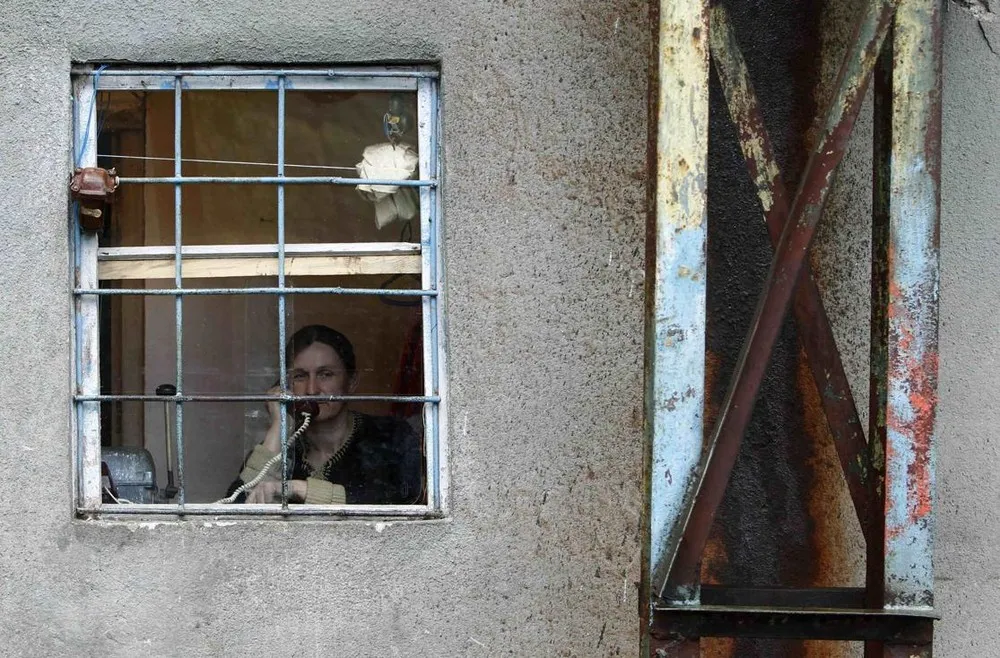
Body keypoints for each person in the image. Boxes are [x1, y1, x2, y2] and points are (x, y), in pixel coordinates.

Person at [226, 325, 424, 505]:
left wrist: (299, 489)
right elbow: (239, 507)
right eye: (300, 376)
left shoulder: (390, 436)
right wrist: (279, 426)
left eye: (325, 374)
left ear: (352, 382)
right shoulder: (281, 447)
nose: (312, 390)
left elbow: (401, 498)